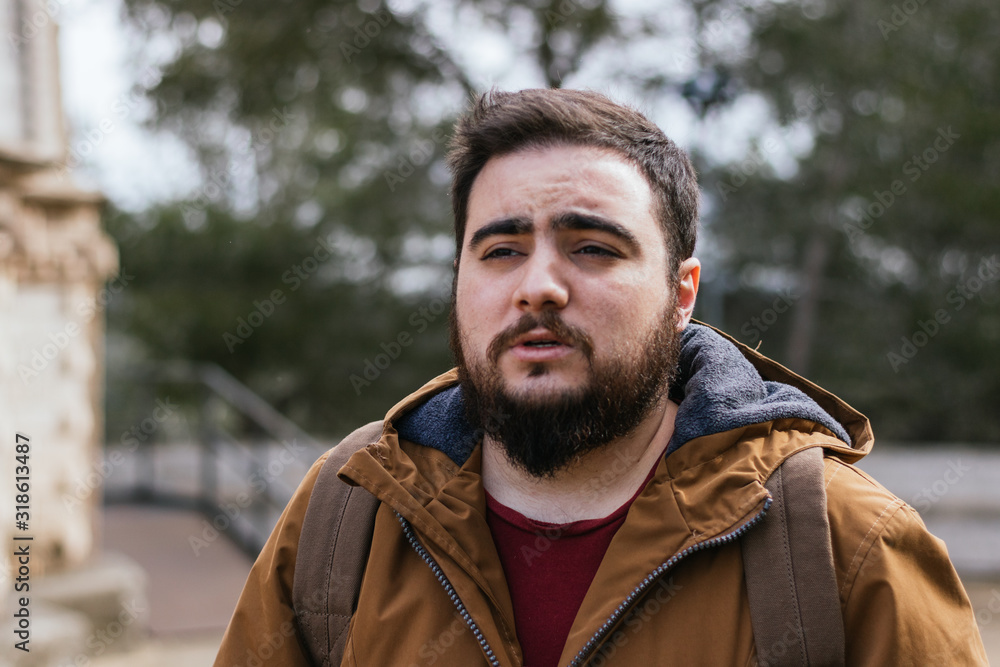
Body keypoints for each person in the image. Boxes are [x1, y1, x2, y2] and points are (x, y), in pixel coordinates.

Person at [215, 88, 987, 666]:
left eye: (592, 247)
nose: (539, 285)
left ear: (681, 293)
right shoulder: (345, 516)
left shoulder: (843, 546)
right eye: (501, 249)